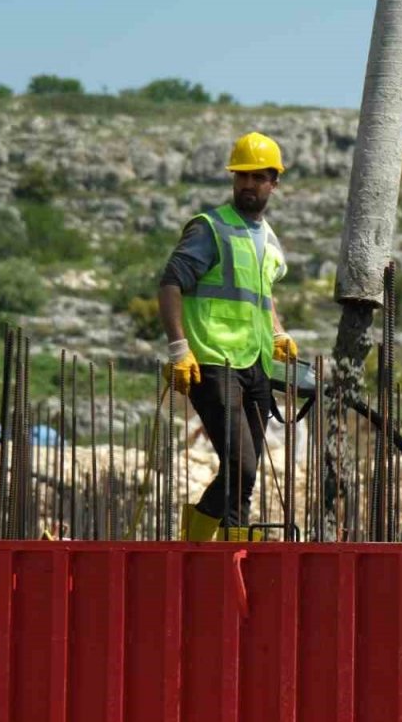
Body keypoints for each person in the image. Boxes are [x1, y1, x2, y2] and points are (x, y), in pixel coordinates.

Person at [158, 132, 297, 542]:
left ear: (274, 182)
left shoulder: (269, 240)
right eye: (242, 176)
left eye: (258, 177)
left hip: (255, 365)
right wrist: (179, 349)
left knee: (242, 472)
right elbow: (170, 284)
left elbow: (263, 294)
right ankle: (228, 552)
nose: (248, 184)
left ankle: (202, 545)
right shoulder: (210, 228)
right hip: (214, 362)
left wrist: (278, 332)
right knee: (243, 467)